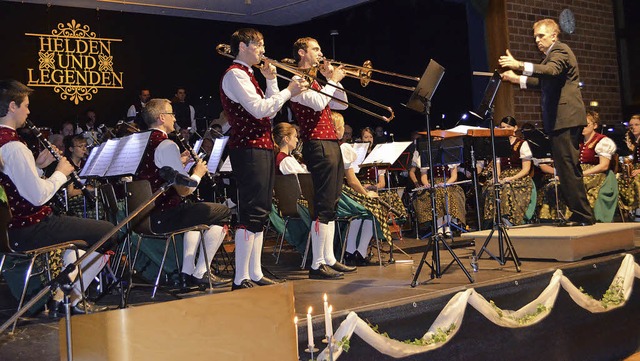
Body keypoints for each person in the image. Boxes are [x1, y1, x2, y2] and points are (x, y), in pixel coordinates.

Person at [0, 79, 114, 313]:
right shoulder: (13, 146)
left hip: (11, 227)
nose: (29, 111)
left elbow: (17, 187)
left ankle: (63, 294)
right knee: (108, 232)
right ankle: (68, 298)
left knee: (83, 235)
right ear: (12, 106)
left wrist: (40, 168)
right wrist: (61, 173)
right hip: (30, 227)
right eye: (26, 105)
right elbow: (38, 197)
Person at [220, 28, 308, 289]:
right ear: (243, 46)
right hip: (248, 148)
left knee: (260, 211)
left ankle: (254, 273)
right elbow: (260, 111)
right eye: (258, 45)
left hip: (259, 147)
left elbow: (268, 114)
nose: (262, 50)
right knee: (251, 211)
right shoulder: (235, 74)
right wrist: (289, 91)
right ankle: (241, 277)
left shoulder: (247, 75)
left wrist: (272, 82)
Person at [499, 18, 594, 226]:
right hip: (560, 119)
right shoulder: (552, 56)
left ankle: (584, 216)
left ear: (554, 35)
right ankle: (580, 214)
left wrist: (519, 65)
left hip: (566, 118)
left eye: (541, 36)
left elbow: (550, 71)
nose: (537, 40)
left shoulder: (560, 50)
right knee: (565, 166)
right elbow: (542, 81)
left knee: (567, 166)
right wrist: (516, 78)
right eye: (535, 37)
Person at [136, 98, 232, 289]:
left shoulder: (141, 141)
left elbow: (155, 171)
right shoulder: (167, 144)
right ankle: (200, 272)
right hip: (163, 215)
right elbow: (184, 190)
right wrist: (197, 174)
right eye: (171, 114)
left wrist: (180, 163)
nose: (174, 118)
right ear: (162, 118)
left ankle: (187, 273)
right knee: (223, 212)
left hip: (144, 215)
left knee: (194, 213)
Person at [289, 36, 356, 278]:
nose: (320, 53)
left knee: (332, 203)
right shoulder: (296, 80)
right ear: (301, 52)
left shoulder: (316, 81)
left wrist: (330, 80)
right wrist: (332, 81)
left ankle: (329, 258)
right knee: (323, 204)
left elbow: (343, 105)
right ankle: (317, 263)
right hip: (317, 144)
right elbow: (318, 104)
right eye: (315, 49)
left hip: (330, 143)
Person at [332, 112, 390, 266]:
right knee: (372, 206)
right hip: (343, 195)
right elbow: (352, 180)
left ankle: (354, 251)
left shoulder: (327, 147)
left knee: (366, 208)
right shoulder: (345, 148)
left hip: (335, 193)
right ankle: (357, 251)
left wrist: (370, 189)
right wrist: (366, 194)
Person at [481, 117, 535, 226]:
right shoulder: (498, 144)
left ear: (515, 128)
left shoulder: (522, 143)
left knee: (506, 187)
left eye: (508, 127)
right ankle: (496, 221)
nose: (505, 129)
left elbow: (526, 169)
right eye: (502, 127)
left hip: (519, 176)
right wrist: (497, 179)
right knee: (492, 187)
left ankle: (509, 220)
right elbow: (497, 168)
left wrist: (511, 178)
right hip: (504, 176)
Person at [618, 114, 640, 221]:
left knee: (636, 180)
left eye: (637, 125)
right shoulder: (635, 141)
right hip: (635, 169)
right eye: (631, 125)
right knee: (621, 180)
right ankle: (630, 212)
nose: (633, 128)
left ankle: (637, 212)